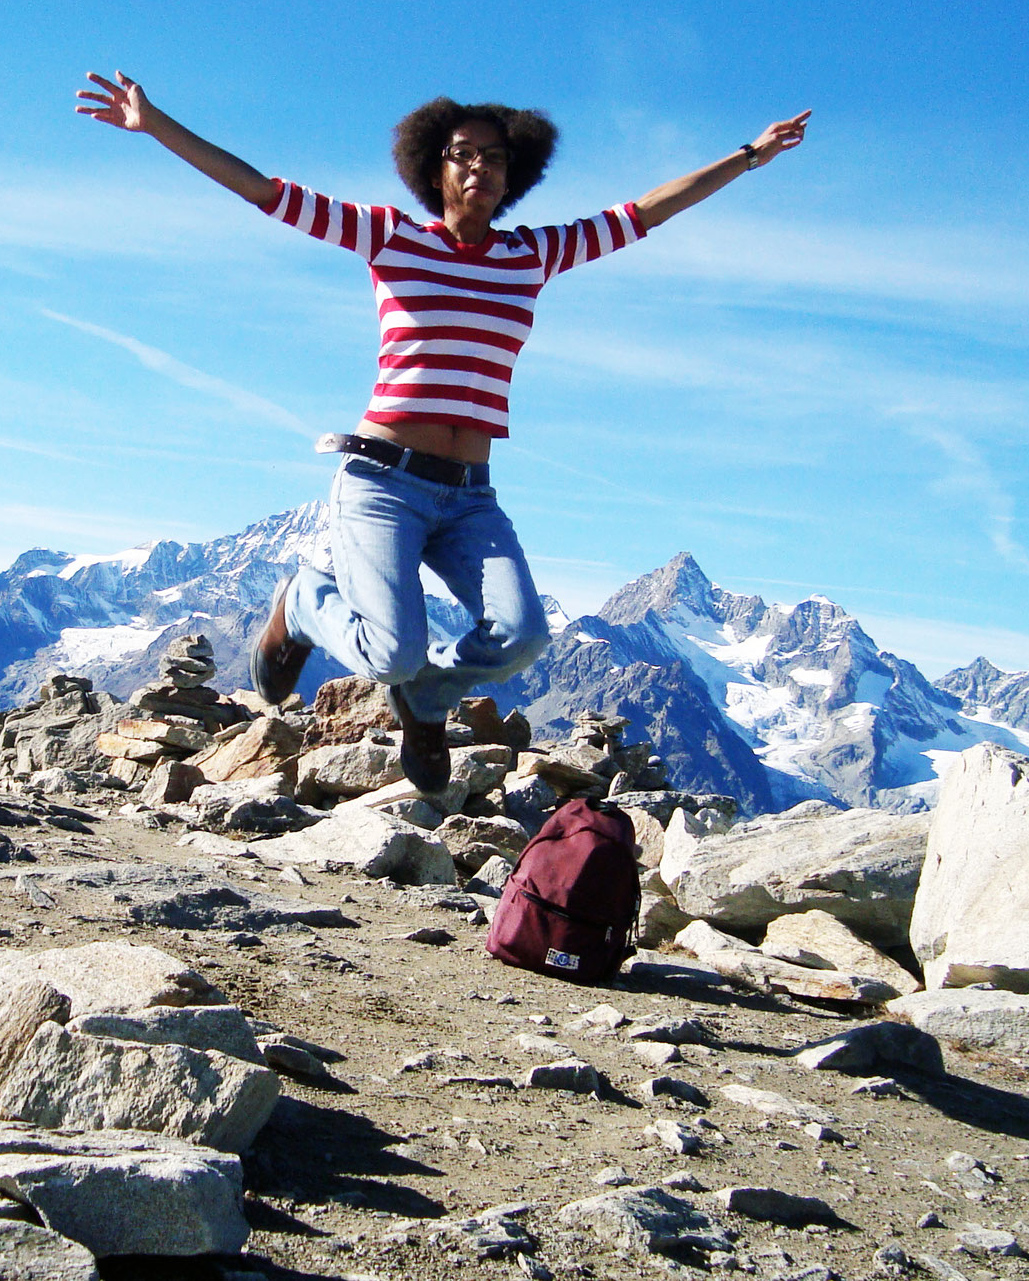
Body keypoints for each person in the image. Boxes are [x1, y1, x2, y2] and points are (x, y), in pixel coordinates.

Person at [76, 71, 809, 796]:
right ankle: (303, 604)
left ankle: (427, 700)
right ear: (436, 166)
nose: (481, 166)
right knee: (390, 652)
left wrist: (748, 155)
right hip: (382, 483)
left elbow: (646, 213)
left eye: (495, 157)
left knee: (523, 637)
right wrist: (157, 124)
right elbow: (263, 190)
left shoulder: (533, 255)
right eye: (465, 153)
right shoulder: (391, 238)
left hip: (469, 497)